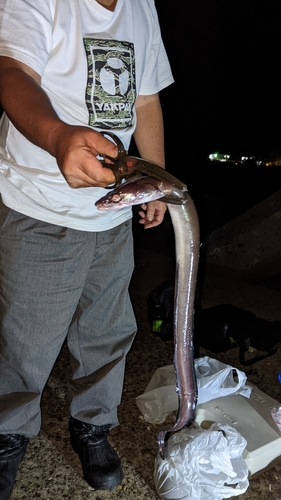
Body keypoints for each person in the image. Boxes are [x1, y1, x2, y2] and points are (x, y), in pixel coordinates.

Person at [0, 0, 174, 497]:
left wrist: (152, 180)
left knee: (107, 330)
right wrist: (57, 137)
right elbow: (12, 70)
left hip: (111, 211)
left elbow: (145, 101)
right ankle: (7, 435)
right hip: (38, 203)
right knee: (24, 341)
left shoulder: (142, 6)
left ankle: (93, 426)